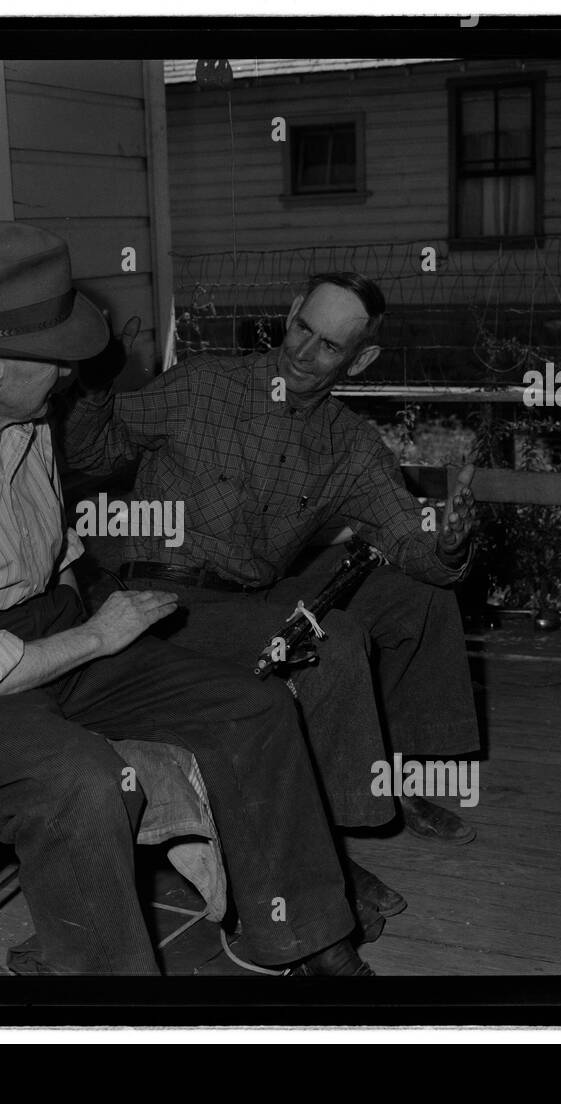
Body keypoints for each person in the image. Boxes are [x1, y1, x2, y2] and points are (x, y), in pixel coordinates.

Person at [0, 222, 376, 975]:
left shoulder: (24, 421)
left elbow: (59, 555)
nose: (72, 375)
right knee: (83, 783)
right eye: (58, 358)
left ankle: (309, 938)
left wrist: (111, 617)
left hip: (50, 627)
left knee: (257, 708)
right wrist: (101, 637)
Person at [60, 271, 483, 918]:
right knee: (329, 639)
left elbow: (412, 544)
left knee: (418, 593)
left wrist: (449, 541)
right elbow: (90, 449)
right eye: (300, 328)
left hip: (259, 590)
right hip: (170, 600)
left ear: (360, 359)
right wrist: (95, 379)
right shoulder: (201, 385)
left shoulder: (352, 445)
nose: (303, 352)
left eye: (328, 347)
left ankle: (396, 773)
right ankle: (329, 846)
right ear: (289, 311)